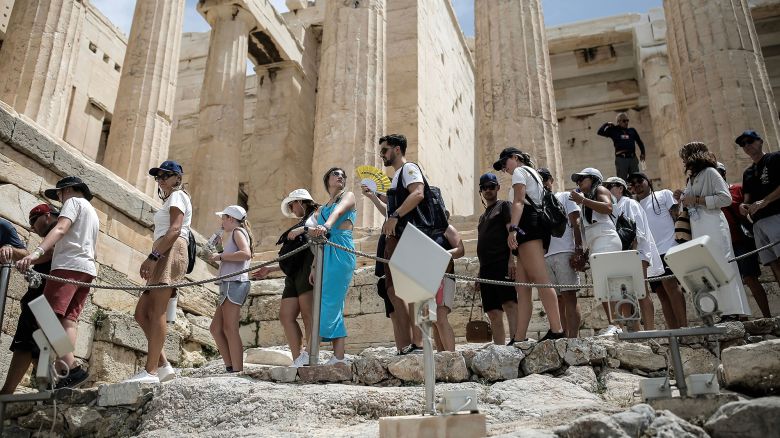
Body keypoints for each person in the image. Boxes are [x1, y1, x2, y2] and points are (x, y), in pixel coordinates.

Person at [16, 176, 99, 388]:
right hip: (87, 269)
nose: (60, 199)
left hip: (67, 266)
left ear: (69, 190)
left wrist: (35, 254)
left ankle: (72, 368)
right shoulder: (92, 212)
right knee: (68, 321)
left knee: (43, 315)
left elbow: (60, 229)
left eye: (60, 193)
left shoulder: (72, 203)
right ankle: (66, 372)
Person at [366, 133, 434, 354]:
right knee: (396, 291)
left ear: (396, 149)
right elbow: (392, 206)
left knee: (418, 292)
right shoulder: (396, 177)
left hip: (411, 235)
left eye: (384, 151)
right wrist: (375, 197)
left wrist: (395, 215)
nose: (382, 155)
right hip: (397, 238)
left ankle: (422, 343)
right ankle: (409, 345)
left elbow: (418, 193)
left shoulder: (409, 168)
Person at [124, 161, 192, 384]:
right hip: (164, 249)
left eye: (166, 175)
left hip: (169, 250)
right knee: (141, 313)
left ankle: (151, 371)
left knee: (157, 312)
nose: (161, 180)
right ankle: (162, 365)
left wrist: (153, 257)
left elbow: (175, 229)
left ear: (177, 178)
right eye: (158, 177)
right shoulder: (171, 198)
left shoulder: (177, 196)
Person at [494, 147, 564, 341]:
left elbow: (519, 201)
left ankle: (557, 330)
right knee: (523, 287)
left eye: (504, 163)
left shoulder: (519, 171)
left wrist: (513, 229)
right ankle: (519, 337)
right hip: (532, 225)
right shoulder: (534, 173)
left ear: (515, 158)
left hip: (527, 226)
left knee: (541, 279)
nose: (503, 169)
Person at [677, 142, 751, 320]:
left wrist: (696, 199)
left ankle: (733, 311)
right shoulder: (692, 178)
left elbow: (725, 198)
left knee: (722, 263)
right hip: (699, 226)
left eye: (685, 157)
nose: (683, 161)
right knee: (708, 267)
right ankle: (721, 310)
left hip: (714, 223)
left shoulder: (710, 172)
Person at [253, 189, 319, 367]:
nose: (291, 210)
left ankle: (311, 356)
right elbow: (293, 255)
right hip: (293, 272)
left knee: (308, 313)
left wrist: (303, 230)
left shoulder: (318, 214)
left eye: (291, 205)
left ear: (300, 201)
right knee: (285, 315)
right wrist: (271, 269)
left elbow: (323, 234)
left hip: (309, 266)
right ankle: (298, 358)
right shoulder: (301, 222)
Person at [309, 167, 357, 365]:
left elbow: (337, 213)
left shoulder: (348, 196)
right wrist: (313, 265)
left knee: (332, 300)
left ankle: (335, 356)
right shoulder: (322, 206)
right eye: (335, 174)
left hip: (341, 249)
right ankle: (335, 356)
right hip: (325, 251)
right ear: (327, 179)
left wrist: (325, 226)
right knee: (325, 300)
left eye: (343, 175)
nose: (340, 177)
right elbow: (319, 237)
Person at [628, 172, 688, 329]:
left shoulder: (664, 194)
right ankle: (675, 332)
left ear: (648, 181)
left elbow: (677, 214)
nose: (637, 184)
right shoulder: (634, 205)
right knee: (661, 294)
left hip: (669, 247)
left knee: (671, 286)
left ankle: (684, 327)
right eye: (632, 183)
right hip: (651, 254)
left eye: (639, 180)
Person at [569, 168, 624, 330]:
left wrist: (582, 200)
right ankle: (614, 324)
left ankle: (617, 324)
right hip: (597, 243)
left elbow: (607, 208)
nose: (578, 182)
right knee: (602, 286)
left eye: (582, 178)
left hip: (606, 239)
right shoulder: (586, 199)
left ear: (593, 179)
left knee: (608, 284)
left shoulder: (600, 190)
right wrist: (584, 254)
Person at [606, 176, 662, 330]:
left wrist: (632, 252)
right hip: (622, 255)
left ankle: (650, 331)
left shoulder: (629, 203)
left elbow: (638, 230)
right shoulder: (613, 207)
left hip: (636, 253)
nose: (606, 190)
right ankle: (634, 332)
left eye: (609, 186)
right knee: (623, 294)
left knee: (642, 293)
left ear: (620, 188)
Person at [716, 162, 771, 318]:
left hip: (741, 240)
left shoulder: (737, 189)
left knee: (749, 278)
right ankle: (743, 317)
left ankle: (767, 317)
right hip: (723, 244)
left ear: (724, 173)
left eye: (718, 172)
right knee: (731, 282)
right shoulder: (710, 196)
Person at [538, 168, 583, 339]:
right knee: (558, 300)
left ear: (551, 180)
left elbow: (576, 222)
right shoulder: (537, 203)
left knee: (570, 298)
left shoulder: (565, 196)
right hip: (546, 256)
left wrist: (578, 250)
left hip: (565, 251)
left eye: (544, 179)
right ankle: (564, 336)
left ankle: (574, 338)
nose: (542, 183)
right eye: (539, 180)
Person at [475, 173, 518, 345]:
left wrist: (511, 260)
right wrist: (479, 273)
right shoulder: (482, 217)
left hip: (501, 262)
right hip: (485, 268)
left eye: (491, 186)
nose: (488, 190)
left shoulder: (504, 206)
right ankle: (499, 347)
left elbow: (511, 233)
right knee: (492, 311)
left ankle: (516, 340)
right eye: (484, 187)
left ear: (498, 188)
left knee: (509, 303)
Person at [209, 205, 253, 373]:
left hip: (234, 283)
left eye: (223, 218)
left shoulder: (237, 232)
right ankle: (230, 366)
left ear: (231, 219)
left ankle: (237, 370)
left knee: (230, 328)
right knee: (215, 328)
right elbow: (233, 259)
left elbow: (245, 254)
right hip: (229, 283)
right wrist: (220, 249)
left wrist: (220, 256)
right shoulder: (236, 234)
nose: (222, 222)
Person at [737, 130, 780, 293]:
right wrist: (743, 206)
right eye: (743, 144)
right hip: (758, 223)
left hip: (776, 216)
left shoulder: (775, 159)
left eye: (750, 141)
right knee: (773, 264)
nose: (746, 146)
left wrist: (766, 201)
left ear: (760, 141)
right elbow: (747, 198)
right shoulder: (747, 173)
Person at [1, 211, 37, 395]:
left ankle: (64, 377)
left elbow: (25, 254)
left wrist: (10, 248)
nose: (34, 227)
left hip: (48, 293)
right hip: (41, 295)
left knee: (45, 336)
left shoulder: (3, 226)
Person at [430, 221, 463, 352]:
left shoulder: (447, 228)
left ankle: (451, 356)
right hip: (430, 277)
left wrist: (440, 253)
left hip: (445, 276)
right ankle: (441, 356)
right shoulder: (424, 228)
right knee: (434, 320)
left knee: (440, 316)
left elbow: (461, 250)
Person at [597, 112, 647, 180]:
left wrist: (643, 153)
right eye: (624, 121)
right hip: (621, 159)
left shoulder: (632, 130)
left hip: (632, 158)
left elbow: (639, 142)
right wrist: (607, 124)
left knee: (636, 179)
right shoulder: (614, 130)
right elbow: (600, 132)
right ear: (618, 121)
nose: (626, 122)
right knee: (622, 180)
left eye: (627, 120)